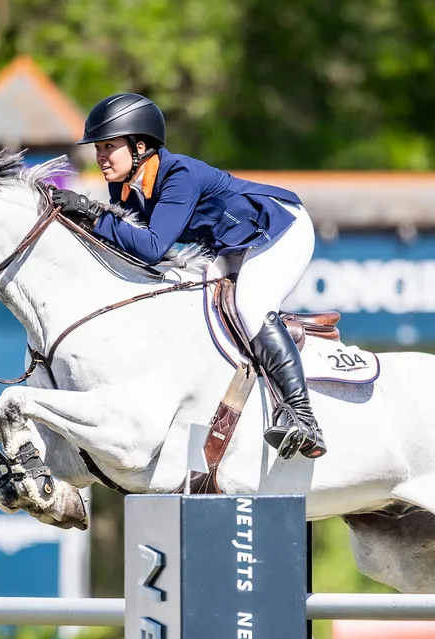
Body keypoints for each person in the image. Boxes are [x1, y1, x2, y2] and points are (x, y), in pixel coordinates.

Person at [49, 93, 326, 460]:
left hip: (278, 229)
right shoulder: (124, 186)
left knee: (251, 304)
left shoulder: (179, 175)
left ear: (140, 146)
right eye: (98, 148)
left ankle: (302, 418)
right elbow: (129, 248)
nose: (100, 157)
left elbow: (151, 247)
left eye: (108, 147)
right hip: (228, 246)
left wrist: (95, 215)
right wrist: (85, 217)